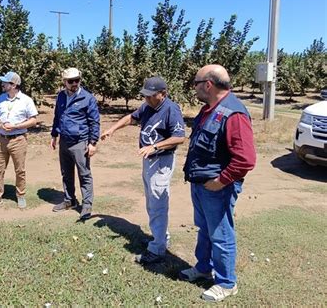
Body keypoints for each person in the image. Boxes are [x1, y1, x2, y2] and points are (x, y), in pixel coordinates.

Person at [180, 64, 256, 302]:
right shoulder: (208, 110)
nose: (194, 88)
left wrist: (221, 181)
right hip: (201, 185)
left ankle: (226, 282)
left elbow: (246, 159)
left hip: (218, 189)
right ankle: (203, 267)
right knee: (205, 230)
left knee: (221, 234)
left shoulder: (234, 114)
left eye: (196, 83)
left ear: (208, 85)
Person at [100, 76, 185, 264]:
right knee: (151, 203)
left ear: (162, 94)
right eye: (145, 95)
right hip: (149, 161)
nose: (146, 99)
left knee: (158, 204)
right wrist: (112, 129)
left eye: (150, 95)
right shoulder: (148, 106)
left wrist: (155, 147)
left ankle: (157, 249)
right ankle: (161, 237)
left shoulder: (171, 109)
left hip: (161, 161)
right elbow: (131, 117)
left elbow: (179, 137)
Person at [0, 70, 38, 210]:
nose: (2, 84)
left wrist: (16, 126)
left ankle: (20, 196)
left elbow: (33, 120)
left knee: (20, 170)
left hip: (18, 140)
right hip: (1, 140)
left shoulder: (26, 100)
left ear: (13, 85)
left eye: (5, 82)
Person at [50, 67, 100, 221]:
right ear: (64, 82)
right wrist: (54, 134)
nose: (74, 83)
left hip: (80, 142)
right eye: (71, 81)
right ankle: (69, 200)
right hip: (64, 141)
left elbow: (94, 121)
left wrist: (92, 142)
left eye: (77, 80)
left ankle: (86, 205)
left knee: (84, 174)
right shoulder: (61, 96)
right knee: (66, 173)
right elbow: (57, 116)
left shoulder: (88, 98)